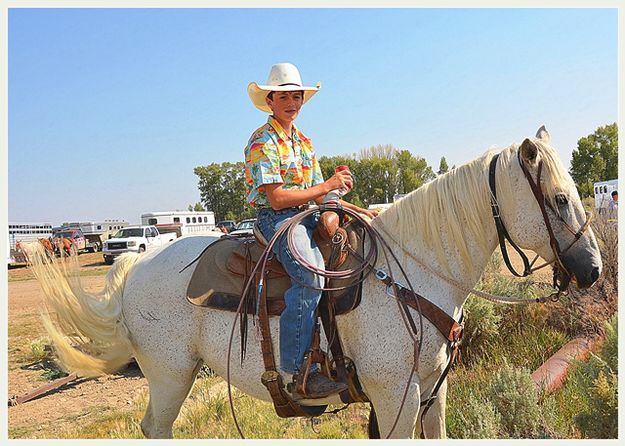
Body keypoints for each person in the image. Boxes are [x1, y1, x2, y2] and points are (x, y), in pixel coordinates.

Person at [244, 62, 377, 398]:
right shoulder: (262, 141)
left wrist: (361, 210)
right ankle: (298, 371)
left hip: (307, 214)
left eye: (297, 96)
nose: (292, 102)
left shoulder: (303, 141)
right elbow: (276, 199)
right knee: (310, 276)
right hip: (277, 219)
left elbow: (321, 194)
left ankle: (341, 354)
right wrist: (329, 186)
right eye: (285, 96)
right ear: (270, 100)